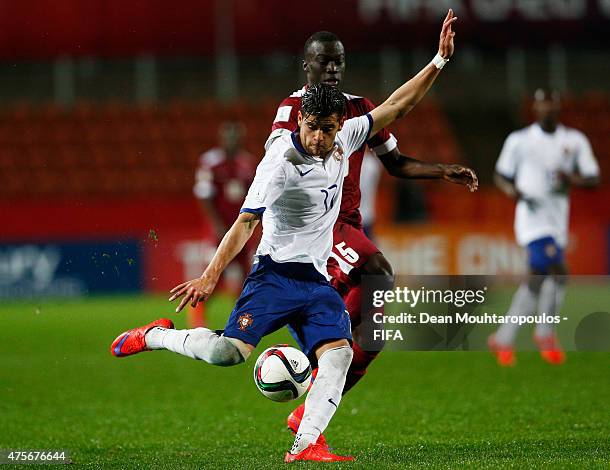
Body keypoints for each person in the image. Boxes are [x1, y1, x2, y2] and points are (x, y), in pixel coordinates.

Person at [110, 9, 459, 462]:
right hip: (273, 276)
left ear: (340, 128)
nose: (319, 138)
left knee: (339, 354)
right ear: (300, 122)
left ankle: (307, 441)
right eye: (312, 128)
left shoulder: (345, 138)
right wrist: (210, 275)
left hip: (315, 281)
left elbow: (397, 106)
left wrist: (439, 60)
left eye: (328, 130)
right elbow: (245, 222)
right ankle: (157, 336)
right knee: (225, 353)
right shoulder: (278, 163)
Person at [267, 25, 478, 437]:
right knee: (378, 270)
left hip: (349, 224)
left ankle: (310, 404)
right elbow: (278, 166)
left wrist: (441, 170)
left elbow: (395, 160)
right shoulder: (292, 108)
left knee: (373, 338)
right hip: (316, 228)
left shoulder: (358, 109)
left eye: (338, 61)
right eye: (323, 60)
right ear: (306, 64)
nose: (331, 67)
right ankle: (319, 354)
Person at [488, 89, 600, 367]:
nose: (547, 109)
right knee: (558, 271)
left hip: (557, 220)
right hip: (531, 219)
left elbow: (593, 178)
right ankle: (545, 333)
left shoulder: (573, 141)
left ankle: (503, 337)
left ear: (558, 107)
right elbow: (500, 175)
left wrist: (570, 176)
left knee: (536, 281)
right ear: (535, 108)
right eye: (542, 104)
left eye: (551, 104)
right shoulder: (520, 140)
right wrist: (511, 190)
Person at [190, 121, 257, 327]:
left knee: (246, 277)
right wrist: (216, 225)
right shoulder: (210, 162)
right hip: (218, 231)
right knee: (214, 275)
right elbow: (204, 196)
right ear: (221, 138)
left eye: (235, 136)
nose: (232, 141)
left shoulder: (248, 162)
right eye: (228, 136)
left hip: (241, 230)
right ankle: (198, 316)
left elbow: (255, 196)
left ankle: (243, 320)